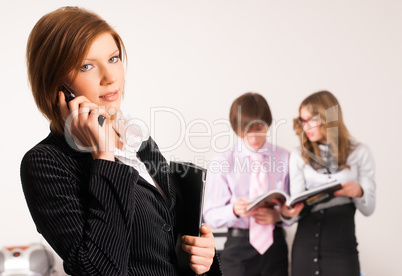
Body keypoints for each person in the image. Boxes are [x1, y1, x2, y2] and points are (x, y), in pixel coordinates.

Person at [20, 6, 222, 276]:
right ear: (58, 86)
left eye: (113, 59)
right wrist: (103, 155)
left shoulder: (138, 141)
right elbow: (99, 269)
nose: (110, 77)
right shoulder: (46, 163)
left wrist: (203, 254)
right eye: (87, 66)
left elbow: (173, 241)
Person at [281, 90, 375, 276]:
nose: (306, 127)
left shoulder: (360, 152)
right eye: (302, 120)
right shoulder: (298, 155)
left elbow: (369, 208)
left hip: (341, 248)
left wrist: (359, 191)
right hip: (304, 248)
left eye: (311, 120)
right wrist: (287, 213)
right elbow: (295, 204)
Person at [203, 92, 290, 276]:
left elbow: (296, 204)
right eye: (246, 129)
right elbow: (210, 214)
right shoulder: (223, 161)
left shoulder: (285, 158)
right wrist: (233, 210)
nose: (254, 135)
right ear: (237, 128)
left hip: (275, 247)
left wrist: (279, 215)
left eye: (260, 127)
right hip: (237, 247)